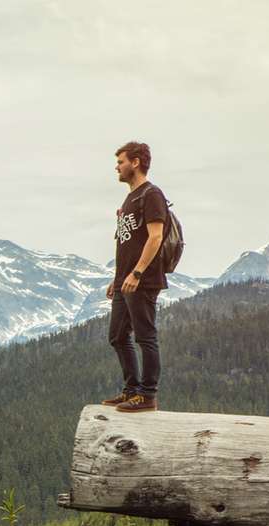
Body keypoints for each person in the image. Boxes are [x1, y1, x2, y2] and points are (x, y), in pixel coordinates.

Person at [102, 141, 170, 413]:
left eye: (120, 162)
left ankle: (147, 395)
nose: (116, 167)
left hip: (142, 280)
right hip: (125, 280)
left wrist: (137, 272)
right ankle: (131, 390)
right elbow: (127, 244)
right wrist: (117, 277)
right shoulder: (130, 198)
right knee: (118, 336)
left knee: (145, 337)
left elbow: (155, 237)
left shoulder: (151, 195)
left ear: (136, 162)